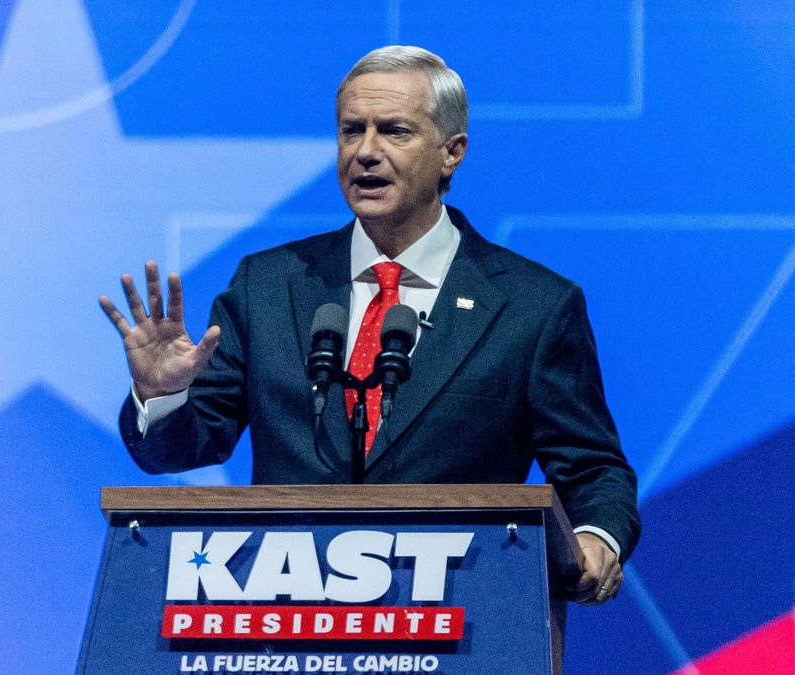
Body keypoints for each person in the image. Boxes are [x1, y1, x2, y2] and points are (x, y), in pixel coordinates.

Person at [99, 46, 639, 611]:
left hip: (456, 621)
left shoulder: (534, 307)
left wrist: (595, 539)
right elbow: (183, 447)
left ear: (451, 152)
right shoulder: (267, 284)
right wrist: (161, 396)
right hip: (284, 620)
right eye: (351, 130)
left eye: (394, 131)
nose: (365, 152)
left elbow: (593, 468)